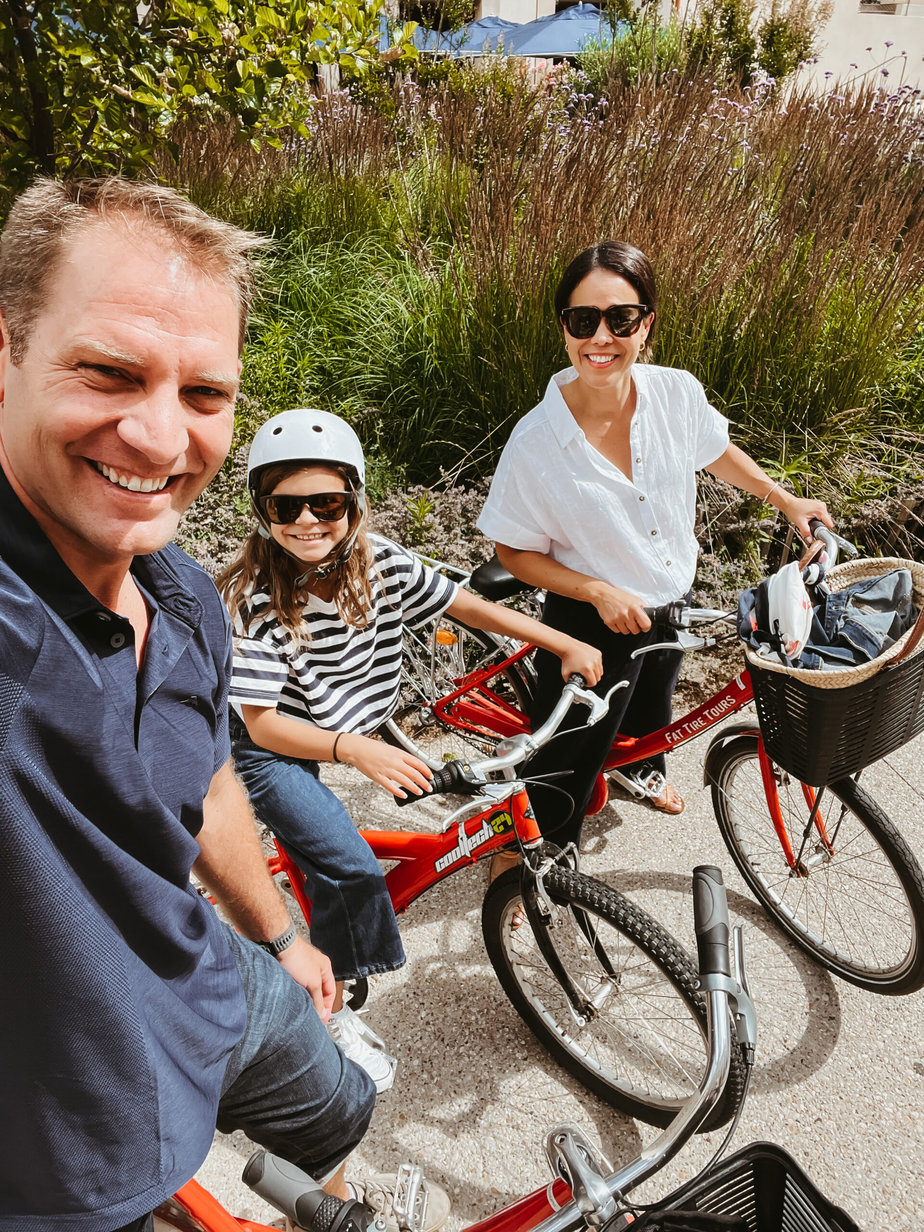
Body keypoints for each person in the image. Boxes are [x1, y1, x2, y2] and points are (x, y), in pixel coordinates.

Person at [0, 177, 445, 1232]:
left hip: (210, 975)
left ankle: (333, 1204)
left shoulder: (185, 594)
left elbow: (205, 779)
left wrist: (281, 936)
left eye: (204, 392)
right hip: (68, 1124)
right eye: (109, 371)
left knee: (334, 1106)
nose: (162, 440)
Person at [217, 407, 603, 1087]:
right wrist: (354, 750)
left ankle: (327, 899)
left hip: (337, 724)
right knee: (350, 867)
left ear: (354, 500)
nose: (306, 521)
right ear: (261, 510)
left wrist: (561, 640)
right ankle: (334, 1006)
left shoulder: (379, 562)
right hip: (271, 742)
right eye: (285, 506)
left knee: (326, 846)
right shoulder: (254, 597)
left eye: (326, 503)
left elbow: (463, 605)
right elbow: (265, 726)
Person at [476, 239, 832, 847]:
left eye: (621, 319)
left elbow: (714, 451)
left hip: (670, 598)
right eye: (583, 320)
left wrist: (785, 500)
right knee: (564, 764)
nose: (601, 338)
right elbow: (513, 552)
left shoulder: (675, 394)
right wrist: (596, 591)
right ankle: (527, 858)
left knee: (652, 704)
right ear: (564, 327)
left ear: (646, 324)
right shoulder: (535, 443)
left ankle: (639, 768)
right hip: (591, 618)